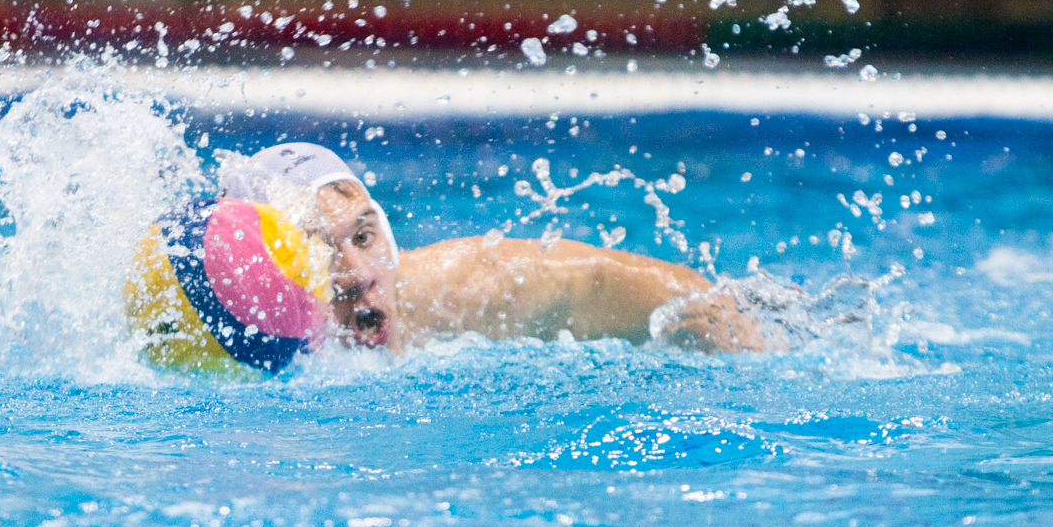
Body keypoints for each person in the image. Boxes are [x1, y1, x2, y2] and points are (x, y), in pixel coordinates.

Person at [221, 143, 769, 355]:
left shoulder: (463, 288)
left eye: (363, 237)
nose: (357, 273)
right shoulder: (220, 348)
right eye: (318, 251)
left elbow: (610, 284)